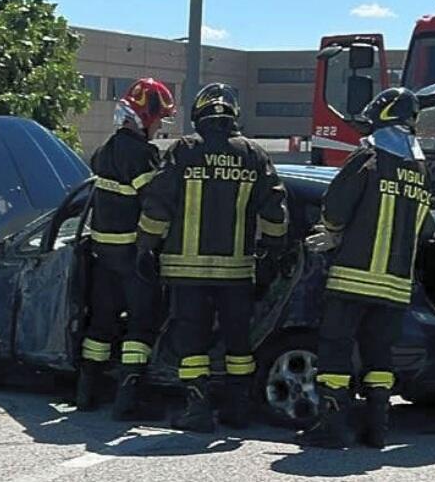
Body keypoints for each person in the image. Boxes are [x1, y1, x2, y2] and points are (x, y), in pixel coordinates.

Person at [136, 83, 288, 433]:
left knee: (192, 341)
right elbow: (275, 211)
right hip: (236, 272)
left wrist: (146, 246)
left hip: (186, 272)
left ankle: (198, 409)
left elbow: (158, 204)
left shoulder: (184, 150)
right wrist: (272, 252)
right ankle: (237, 409)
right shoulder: (253, 154)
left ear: (199, 113)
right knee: (238, 343)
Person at [298, 87, 434, 449]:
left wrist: (333, 234)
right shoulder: (420, 169)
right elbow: (424, 226)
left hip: (354, 277)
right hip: (396, 284)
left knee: (335, 349)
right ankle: (377, 428)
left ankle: (332, 426)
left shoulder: (369, 156)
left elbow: (335, 207)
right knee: (379, 356)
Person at [76, 78, 176, 418]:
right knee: (139, 326)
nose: (160, 125)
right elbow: (154, 205)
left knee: (101, 324)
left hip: (104, 254)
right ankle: (128, 399)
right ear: (144, 117)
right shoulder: (141, 155)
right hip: (134, 254)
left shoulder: (104, 152)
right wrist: (153, 244)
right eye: (158, 118)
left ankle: (86, 391)